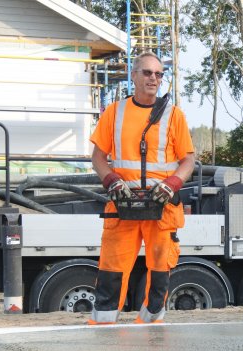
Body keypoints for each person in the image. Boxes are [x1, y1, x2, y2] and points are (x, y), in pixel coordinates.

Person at [89, 51, 195, 325]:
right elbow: (98, 158)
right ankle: (103, 327)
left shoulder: (174, 116)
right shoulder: (114, 113)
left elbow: (188, 160)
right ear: (133, 76)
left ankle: (151, 328)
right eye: (147, 72)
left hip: (161, 208)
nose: (153, 78)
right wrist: (111, 180)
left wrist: (172, 184)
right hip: (122, 206)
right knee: (111, 272)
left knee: (160, 272)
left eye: (159, 74)